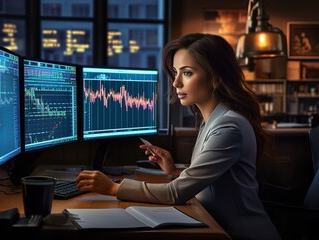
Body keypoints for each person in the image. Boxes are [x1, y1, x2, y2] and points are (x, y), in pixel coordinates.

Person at [76, 33, 281, 240]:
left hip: (240, 235)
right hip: (219, 228)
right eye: (175, 72)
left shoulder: (228, 126)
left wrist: (113, 188)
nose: (175, 83)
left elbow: (176, 194)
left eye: (187, 73)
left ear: (216, 78)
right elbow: (211, 182)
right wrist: (174, 171)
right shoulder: (212, 120)